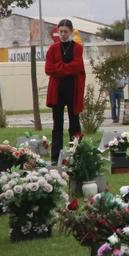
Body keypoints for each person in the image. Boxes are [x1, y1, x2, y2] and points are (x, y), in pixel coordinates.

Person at [45, 19, 85, 163]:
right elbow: (48, 69)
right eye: (60, 31)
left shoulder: (78, 48)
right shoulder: (53, 48)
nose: (62, 34)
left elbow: (77, 66)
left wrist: (59, 68)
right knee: (57, 126)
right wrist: (66, 69)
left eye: (65, 31)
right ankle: (55, 159)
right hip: (58, 92)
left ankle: (76, 155)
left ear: (71, 31)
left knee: (74, 124)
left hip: (73, 90)